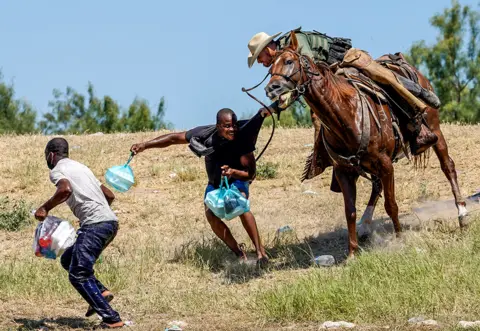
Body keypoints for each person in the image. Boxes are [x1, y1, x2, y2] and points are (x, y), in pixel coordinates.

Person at [247, 28, 441, 184]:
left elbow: (308, 72)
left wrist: (277, 105)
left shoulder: (295, 41)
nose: (261, 62)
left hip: (347, 62)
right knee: (322, 115)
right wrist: (274, 107)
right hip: (331, 78)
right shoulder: (281, 61)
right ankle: (335, 158)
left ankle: (418, 121)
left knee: (384, 81)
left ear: (267, 49)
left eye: (259, 58)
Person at [130, 108, 270, 266]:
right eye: (227, 126)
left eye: (234, 126)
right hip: (215, 184)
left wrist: (233, 172)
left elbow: (250, 175)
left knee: (239, 204)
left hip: (237, 179)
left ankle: (260, 253)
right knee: (211, 215)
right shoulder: (204, 134)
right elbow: (174, 138)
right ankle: (239, 253)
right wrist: (145, 145)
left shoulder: (241, 139)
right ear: (218, 126)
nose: (232, 129)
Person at [34, 138, 126, 329]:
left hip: (96, 225)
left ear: (51, 155)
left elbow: (65, 189)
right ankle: (100, 293)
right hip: (110, 223)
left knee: (78, 274)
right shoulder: (82, 167)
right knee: (68, 259)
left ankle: (112, 319)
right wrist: (95, 213)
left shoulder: (57, 169)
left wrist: (45, 208)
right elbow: (109, 195)